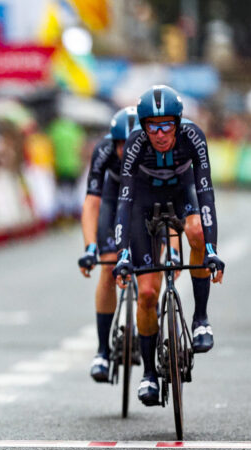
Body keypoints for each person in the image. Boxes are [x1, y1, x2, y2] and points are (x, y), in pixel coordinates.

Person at [113, 85, 224, 406]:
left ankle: (200, 319)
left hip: (182, 193)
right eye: (152, 127)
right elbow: (124, 200)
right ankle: (149, 373)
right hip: (144, 201)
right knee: (147, 293)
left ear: (177, 123)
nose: (160, 134)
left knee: (197, 234)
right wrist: (122, 254)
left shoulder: (193, 136)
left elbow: (205, 192)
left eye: (166, 126)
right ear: (143, 127)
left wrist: (212, 249)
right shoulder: (136, 143)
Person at [78, 107, 140, 382]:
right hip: (114, 200)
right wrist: (90, 247)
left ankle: (150, 319)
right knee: (108, 267)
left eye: (131, 144)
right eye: (120, 144)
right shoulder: (103, 150)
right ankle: (103, 350)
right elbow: (92, 202)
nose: (125, 150)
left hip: (146, 199)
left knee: (153, 270)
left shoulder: (156, 151)